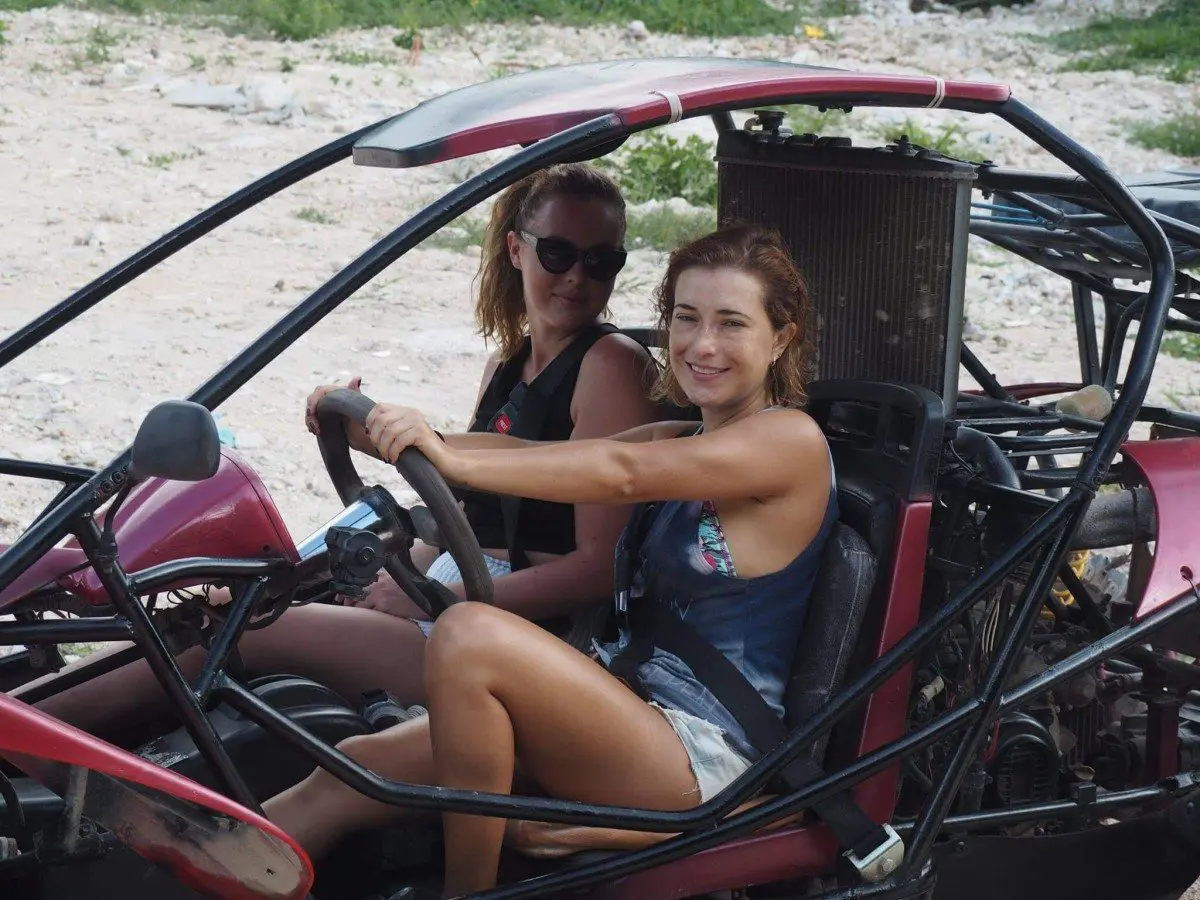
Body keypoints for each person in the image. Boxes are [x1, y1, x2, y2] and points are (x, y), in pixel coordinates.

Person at [262, 223, 837, 899]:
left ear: (781, 339)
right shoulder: (685, 433)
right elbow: (531, 455)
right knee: (350, 775)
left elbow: (621, 470)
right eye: (686, 318)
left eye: (731, 323)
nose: (702, 344)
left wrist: (448, 460)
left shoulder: (788, 441)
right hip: (620, 708)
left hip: (698, 754)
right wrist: (388, 431)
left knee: (470, 633)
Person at [19, 162, 662, 736]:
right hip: (456, 593)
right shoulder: (509, 360)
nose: (578, 278)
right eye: (559, 254)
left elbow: (601, 570)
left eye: (601, 262)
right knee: (219, 600)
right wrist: (383, 564)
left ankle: (29, 741)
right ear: (518, 251)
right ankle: (41, 728)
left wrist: (436, 599)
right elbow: (467, 508)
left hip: (513, 639)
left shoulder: (608, 365)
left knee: (242, 629)